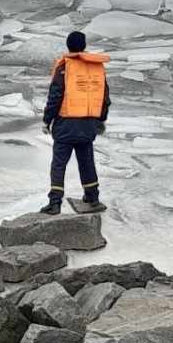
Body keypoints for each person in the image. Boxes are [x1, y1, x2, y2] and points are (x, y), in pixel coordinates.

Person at [40, 31, 110, 215]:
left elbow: (55, 96)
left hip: (66, 124)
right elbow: (104, 97)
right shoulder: (97, 67)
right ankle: (93, 198)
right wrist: (100, 119)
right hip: (88, 124)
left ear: (68, 45)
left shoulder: (64, 67)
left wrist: (47, 120)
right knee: (87, 161)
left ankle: (55, 203)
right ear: (84, 45)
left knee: (59, 164)